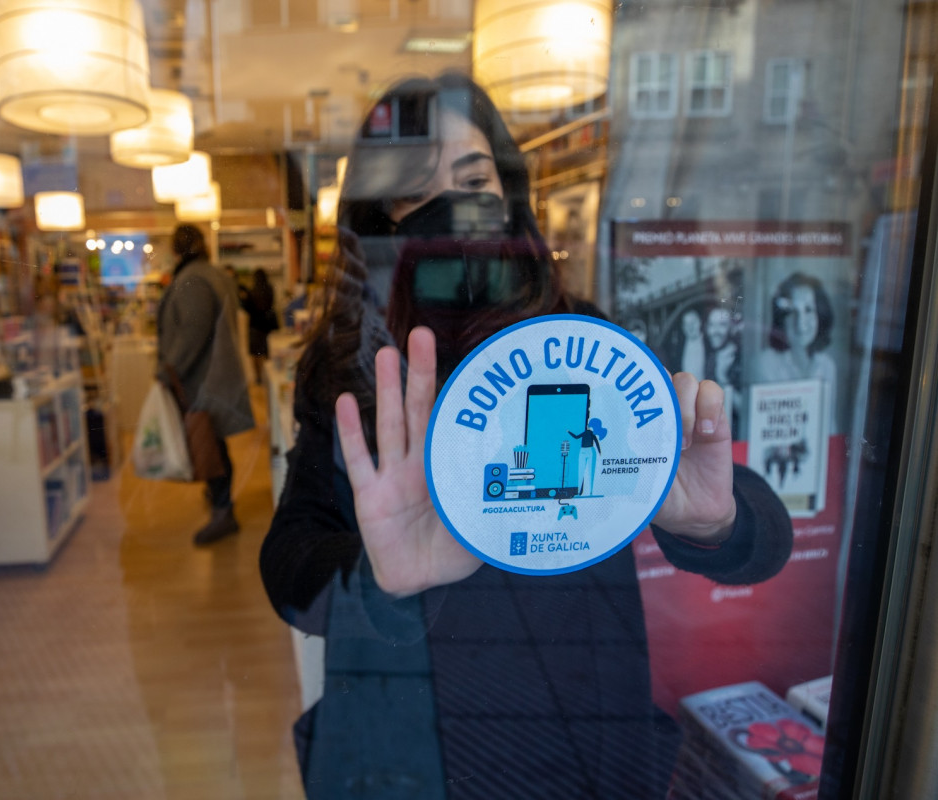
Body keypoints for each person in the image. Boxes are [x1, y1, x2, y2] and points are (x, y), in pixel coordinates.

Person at [259, 72, 794, 798]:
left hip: (577, 723)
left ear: (509, 192)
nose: (448, 208)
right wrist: (374, 580)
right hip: (414, 738)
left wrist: (719, 522)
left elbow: (756, 533)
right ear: (377, 219)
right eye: (413, 191)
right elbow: (289, 561)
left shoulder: (581, 336)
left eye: (473, 176)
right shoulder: (352, 364)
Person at [158, 224, 254, 545]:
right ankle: (220, 503)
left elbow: (192, 335)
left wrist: (168, 369)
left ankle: (223, 510)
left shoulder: (192, 280)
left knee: (208, 444)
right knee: (212, 443)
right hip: (218, 374)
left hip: (202, 379)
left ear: (176, 249)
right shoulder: (212, 274)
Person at [757, 272, 838, 432]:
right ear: (781, 319)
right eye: (793, 312)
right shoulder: (764, 364)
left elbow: (829, 426)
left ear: (820, 316)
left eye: (808, 310)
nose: (800, 323)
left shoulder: (828, 366)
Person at [239, 268, 278, 385]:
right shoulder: (269, 289)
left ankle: (258, 378)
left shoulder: (251, 292)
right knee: (267, 353)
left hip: (255, 326)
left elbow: (246, 309)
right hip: (267, 326)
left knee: (255, 354)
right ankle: (268, 377)